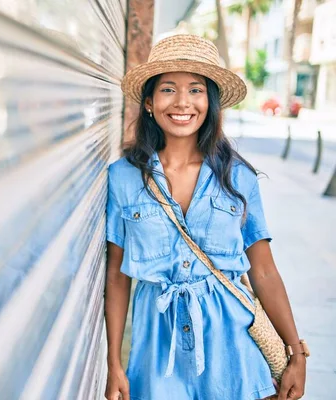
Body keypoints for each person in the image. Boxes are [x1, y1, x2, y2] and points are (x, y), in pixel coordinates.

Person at [104, 35, 308, 400]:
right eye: (168, 89)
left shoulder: (238, 177)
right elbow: (117, 278)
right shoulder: (123, 177)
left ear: (209, 103)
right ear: (149, 103)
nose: (182, 102)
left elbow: (262, 271)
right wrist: (113, 363)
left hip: (232, 348)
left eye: (196, 90)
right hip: (156, 352)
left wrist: (295, 353)